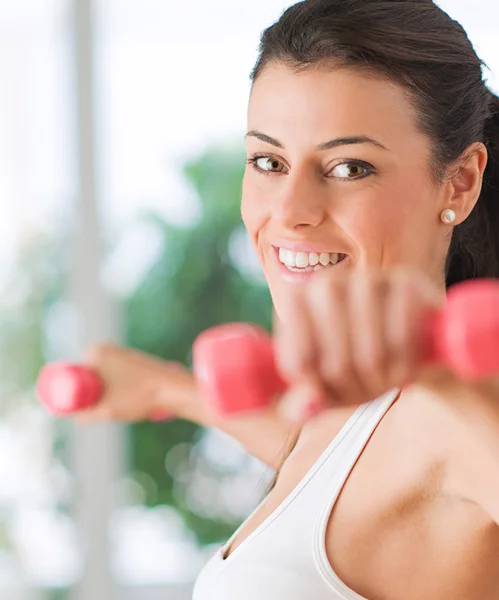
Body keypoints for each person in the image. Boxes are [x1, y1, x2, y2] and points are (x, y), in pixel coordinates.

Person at [76, 1, 499, 598]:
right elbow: (325, 463)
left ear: (459, 181)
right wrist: (164, 388)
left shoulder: (463, 414)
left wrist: (441, 378)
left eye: (350, 167)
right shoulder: (357, 414)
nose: (291, 212)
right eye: (269, 161)